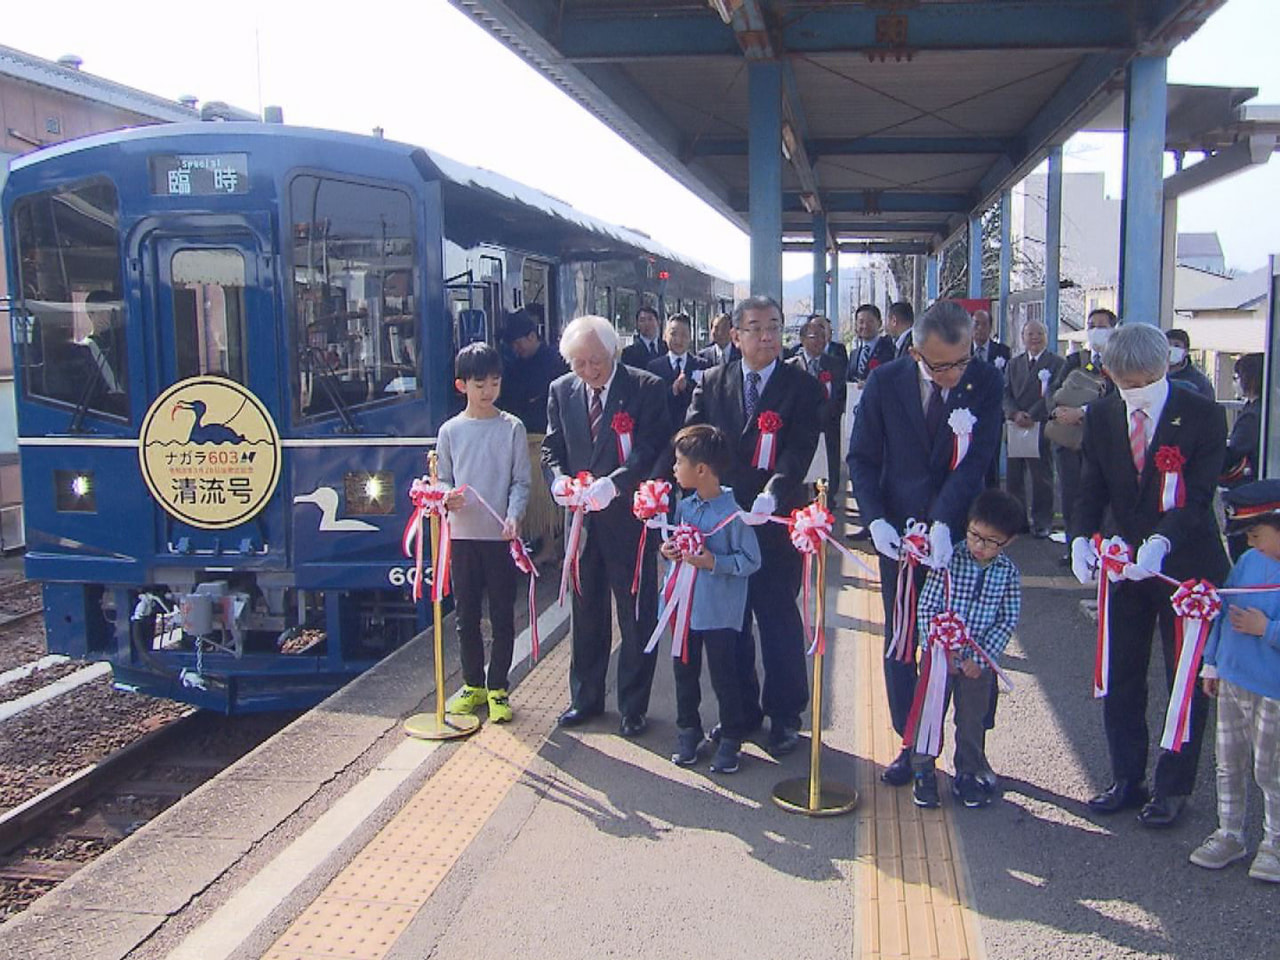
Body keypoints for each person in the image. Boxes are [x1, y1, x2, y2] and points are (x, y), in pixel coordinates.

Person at [1069, 322, 1229, 827]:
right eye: (1122, 382)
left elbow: (1199, 494)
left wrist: (1163, 540)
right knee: (1121, 672)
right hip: (1123, 564)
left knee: (1182, 678)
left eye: (1140, 382)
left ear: (1163, 368)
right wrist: (1080, 535)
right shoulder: (1101, 414)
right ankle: (1126, 776)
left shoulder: (1202, 414)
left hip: (1185, 569)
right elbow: (1091, 484)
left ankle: (1174, 786)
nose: (1131, 392)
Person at [848, 300, 1003, 788]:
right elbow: (863, 457)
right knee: (902, 637)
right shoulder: (886, 381)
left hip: (963, 536)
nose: (952, 375)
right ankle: (911, 740)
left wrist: (943, 523)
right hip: (899, 535)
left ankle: (971, 750)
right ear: (915, 351)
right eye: (939, 366)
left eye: (960, 361)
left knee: (967, 638)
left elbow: (976, 461)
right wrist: (875, 521)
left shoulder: (984, 381)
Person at [684, 294, 823, 756]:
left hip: (773, 519)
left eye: (774, 327)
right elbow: (693, 440)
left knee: (778, 616)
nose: (767, 336)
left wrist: (775, 491)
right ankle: (738, 713)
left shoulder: (800, 386)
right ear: (736, 334)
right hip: (725, 522)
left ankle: (785, 713)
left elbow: (800, 447)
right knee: (731, 623)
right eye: (756, 328)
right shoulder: (711, 380)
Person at [543, 315, 672, 735]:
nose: (589, 371)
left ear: (613, 351)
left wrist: (616, 485)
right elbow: (552, 448)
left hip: (628, 520)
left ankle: (633, 705)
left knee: (635, 614)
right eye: (578, 363)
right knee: (586, 612)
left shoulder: (645, 387)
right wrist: (559, 479)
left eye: (595, 361)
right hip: (582, 523)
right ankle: (586, 698)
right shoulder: (561, 391)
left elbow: (653, 447)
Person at [1190, 480, 1280, 883]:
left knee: (1270, 769)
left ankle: (1274, 843)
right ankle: (1230, 833)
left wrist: (1268, 629)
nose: (1253, 542)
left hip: (1272, 688)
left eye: (1258, 534)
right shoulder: (1247, 563)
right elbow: (1223, 610)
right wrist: (1211, 663)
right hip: (1233, 678)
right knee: (1228, 762)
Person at [910, 490, 1024, 809]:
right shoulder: (949, 558)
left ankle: (968, 773)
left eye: (991, 541)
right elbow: (927, 605)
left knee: (972, 719)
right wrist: (936, 649)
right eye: (975, 535)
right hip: (939, 658)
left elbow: (1006, 620)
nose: (979, 545)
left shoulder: (1008, 574)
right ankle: (922, 771)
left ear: (1008, 542)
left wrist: (980, 658)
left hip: (978, 664)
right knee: (929, 714)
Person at [438, 343, 531, 723]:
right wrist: (446, 498)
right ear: (462, 386)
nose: (488, 391)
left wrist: (514, 516)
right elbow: (443, 478)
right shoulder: (450, 431)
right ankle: (472, 683)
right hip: (461, 536)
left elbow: (521, 482)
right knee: (466, 614)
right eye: (479, 384)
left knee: (503, 615)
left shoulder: (511, 427)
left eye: (494, 382)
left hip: (500, 537)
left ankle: (498, 688)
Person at [663, 424, 762, 774]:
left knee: (725, 674)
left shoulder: (735, 514)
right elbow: (678, 543)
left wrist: (712, 562)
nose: (674, 469)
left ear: (701, 469)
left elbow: (751, 561)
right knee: (683, 670)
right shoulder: (686, 507)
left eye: (679, 462)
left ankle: (732, 735)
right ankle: (688, 729)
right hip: (684, 606)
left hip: (720, 611)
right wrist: (670, 551)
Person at [1048, 308, 1118, 559]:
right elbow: (1053, 391)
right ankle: (1073, 547)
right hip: (1069, 441)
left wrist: (1085, 411)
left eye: (1102, 326)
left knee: (1101, 494)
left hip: (1102, 443)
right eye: (1092, 325)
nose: (1096, 331)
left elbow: (1118, 400)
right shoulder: (1075, 360)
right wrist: (1057, 413)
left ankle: (1103, 549)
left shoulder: (1119, 363)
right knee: (1070, 493)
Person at [1003, 319, 1064, 538]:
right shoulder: (1014, 363)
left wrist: (1033, 414)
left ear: (1047, 336)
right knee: (1014, 478)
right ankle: (1017, 521)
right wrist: (1014, 413)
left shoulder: (1057, 363)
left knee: (1042, 478)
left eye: (1040, 333)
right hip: (1015, 425)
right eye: (1030, 334)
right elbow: (1006, 392)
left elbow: (1053, 393)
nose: (1035, 338)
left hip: (1040, 425)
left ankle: (1042, 522)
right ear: (1023, 337)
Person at [789, 317, 847, 496]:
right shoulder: (791, 367)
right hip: (799, 430)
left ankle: (827, 503)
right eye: (815, 336)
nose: (820, 341)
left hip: (827, 428)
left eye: (824, 337)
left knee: (826, 476)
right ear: (803, 339)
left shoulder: (835, 365)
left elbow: (840, 396)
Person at [498, 309, 568, 434]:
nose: (515, 349)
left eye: (518, 343)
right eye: (512, 345)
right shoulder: (515, 368)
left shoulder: (557, 361)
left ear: (532, 336)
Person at [1222, 353, 1264, 560]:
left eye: (1237, 377)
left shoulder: (1254, 414)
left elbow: (1235, 451)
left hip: (1247, 490)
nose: (1235, 382)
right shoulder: (1260, 408)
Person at [648, 313, 708, 428]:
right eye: (673, 334)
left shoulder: (702, 365)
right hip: (664, 431)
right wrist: (673, 390)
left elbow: (707, 401)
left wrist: (687, 387)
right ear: (665, 335)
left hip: (693, 431)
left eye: (684, 335)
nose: (678, 340)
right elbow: (651, 403)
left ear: (690, 337)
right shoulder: (654, 367)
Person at [847, 304, 896, 383]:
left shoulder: (889, 349)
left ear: (879, 323)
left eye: (870, 321)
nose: (865, 326)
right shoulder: (853, 354)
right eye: (861, 322)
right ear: (856, 325)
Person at [1166, 329, 1216, 400]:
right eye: (1168, 344)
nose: (1170, 349)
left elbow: (1208, 407)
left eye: (1177, 345)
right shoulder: (1154, 375)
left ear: (1186, 351)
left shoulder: (1199, 381)